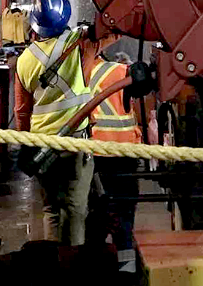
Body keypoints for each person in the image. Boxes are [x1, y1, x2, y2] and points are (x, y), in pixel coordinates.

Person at [14, 0, 94, 246]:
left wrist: (26, 144)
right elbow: (111, 32)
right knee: (75, 210)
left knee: (51, 210)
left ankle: (54, 268)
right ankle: (72, 268)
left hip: (41, 147)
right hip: (74, 145)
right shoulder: (79, 44)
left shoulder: (24, 61)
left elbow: (21, 111)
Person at [86, 51, 141, 271]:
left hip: (97, 153)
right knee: (125, 218)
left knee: (98, 217)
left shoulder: (82, 73)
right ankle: (126, 270)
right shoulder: (121, 71)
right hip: (125, 152)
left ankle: (94, 270)